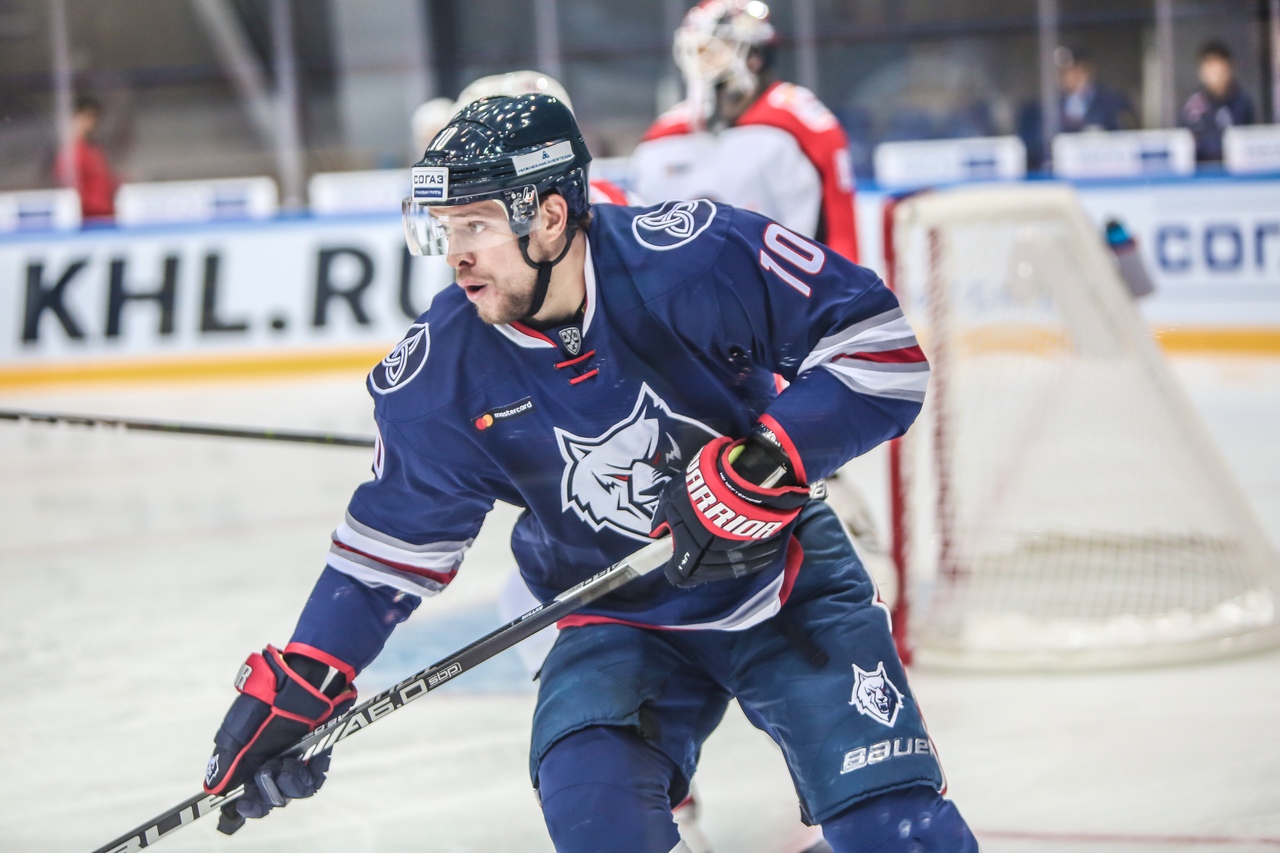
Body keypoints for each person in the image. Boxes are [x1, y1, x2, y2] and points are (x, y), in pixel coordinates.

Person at [202, 93, 976, 853]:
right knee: (595, 816)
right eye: (445, 228)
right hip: (615, 615)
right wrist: (309, 676)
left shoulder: (694, 258)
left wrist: (770, 457)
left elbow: (880, 351)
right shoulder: (442, 372)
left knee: (903, 837)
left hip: (781, 579)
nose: (456, 253)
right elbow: (385, 557)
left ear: (548, 217)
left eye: (476, 225)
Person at [630, 0, 858, 263]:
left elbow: (835, 222)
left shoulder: (794, 119)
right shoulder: (665, 135)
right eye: (699, 49)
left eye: (717, 47)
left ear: (754, 56)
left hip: (784, 273)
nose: (703, 59)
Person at [1179, 40, 1255, 163]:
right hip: (1202, 171)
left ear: (1230, 67)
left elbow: (1251, 142)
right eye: (1210, 66)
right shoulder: (1192, 108)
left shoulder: (1243, 103)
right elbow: (1183, 147)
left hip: (1237, 170)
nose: (1216, 72)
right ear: (1202, 70)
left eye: (1220, 65)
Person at [52, 94, 119, 220]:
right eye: (87, 116)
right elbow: (68, 190)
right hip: (88, 219)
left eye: (95, 117)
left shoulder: (96, 149)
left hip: (106, 216)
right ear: (75, 118)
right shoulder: (71, 153)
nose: (92, 122)